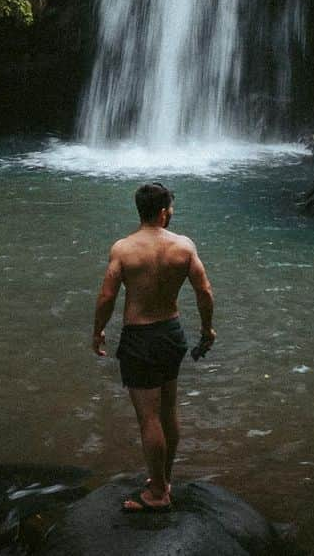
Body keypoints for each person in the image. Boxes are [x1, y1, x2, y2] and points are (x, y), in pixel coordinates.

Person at [92, 180, 215, 513]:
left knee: (149, 419)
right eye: (170, 209)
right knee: (168, 411)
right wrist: (207, 329)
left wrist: (98, 331)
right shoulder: (184, 247)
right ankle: (164, 478)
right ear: (163, 212)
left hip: (140, 338)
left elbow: (107, 296)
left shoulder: (123, 249)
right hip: (171, 334)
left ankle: (158, 491)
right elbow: (204, 292)